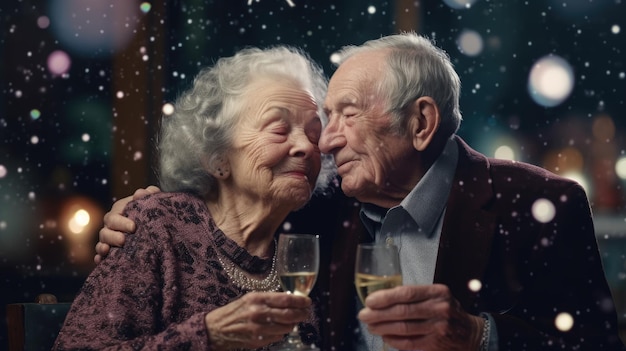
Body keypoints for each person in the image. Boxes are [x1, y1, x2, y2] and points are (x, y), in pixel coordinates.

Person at [96, 33, 626, 350]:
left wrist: (480, 338)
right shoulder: (318, 202)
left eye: (345, 115)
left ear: (421, 122)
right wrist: (138, 211)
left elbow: (596, 346)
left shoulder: (539, 206)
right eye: (325, 118)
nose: (322, 141)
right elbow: (228, 204)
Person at [54, 45, 336, 350]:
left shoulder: (304, 252)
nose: (306, 147)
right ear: (217, 159)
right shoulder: (156, 226)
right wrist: (207, 335)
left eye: (313, 133)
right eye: (279, 130)